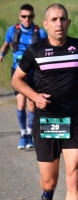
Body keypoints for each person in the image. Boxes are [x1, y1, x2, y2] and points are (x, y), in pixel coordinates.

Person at [11, 3, 78, 200]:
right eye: (53, 19)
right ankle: (47, 194)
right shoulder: (35, 51)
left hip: (74, 119)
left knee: (74, 178)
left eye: (62, 19)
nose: (58, 23)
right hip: (47, 120)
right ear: (45, 24)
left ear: (68, 22)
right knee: (49, 182)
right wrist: (35, 97)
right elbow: (16, 80)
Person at [0, 4, 47, 149]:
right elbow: (6, 45)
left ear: (33, 16)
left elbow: (46, 50)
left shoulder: (40, 33)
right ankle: (22, 134)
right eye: (24, 16)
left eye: (30, 16)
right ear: (20, 16)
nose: (27, 19)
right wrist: (1, 54)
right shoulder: (12, 31)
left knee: (32, 103)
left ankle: (30, 134)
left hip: (34, 72)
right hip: (18, 72)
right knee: (20, 103)